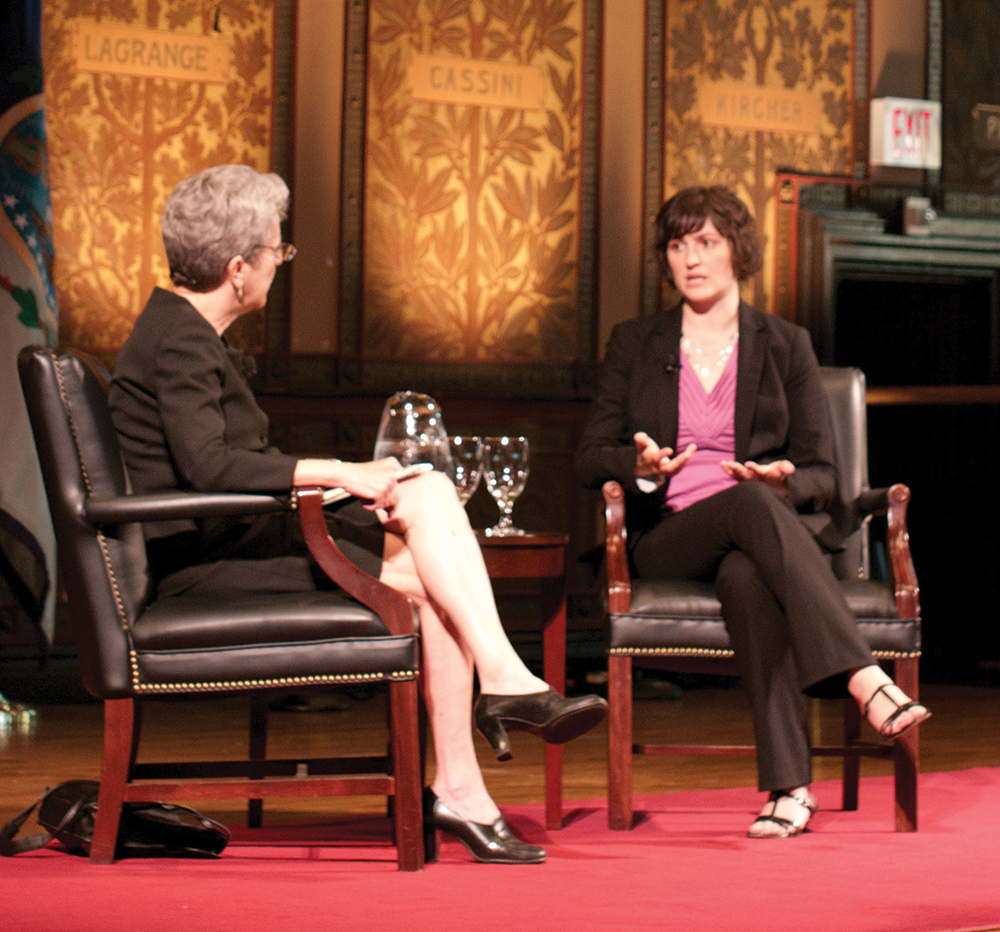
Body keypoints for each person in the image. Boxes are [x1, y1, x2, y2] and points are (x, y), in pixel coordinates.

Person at [109, 164, 607, 864]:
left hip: (242, 540)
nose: (280, 266)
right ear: (238, 270)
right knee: (431, 556)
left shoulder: (178, 331)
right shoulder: (181, 339)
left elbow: (227, 464)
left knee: (426, 493)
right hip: (210, 570)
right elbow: (211, 468)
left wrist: (350, 487)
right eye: (278, 253)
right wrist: (342, 473)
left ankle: (481, 742)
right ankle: (495, 710)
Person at [575, 185, 930, 839]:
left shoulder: (785, 344)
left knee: (745, 568)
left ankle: (790, 791)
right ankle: (864, 676)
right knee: (742, 503)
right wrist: (641, 466)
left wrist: (785, 481)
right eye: (678, 245)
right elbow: (588, 456)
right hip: (668, 540)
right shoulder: (635, 342)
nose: (691, 258)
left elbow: (826, 473)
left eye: (706, 242)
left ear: (737, 249)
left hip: (757, 543)